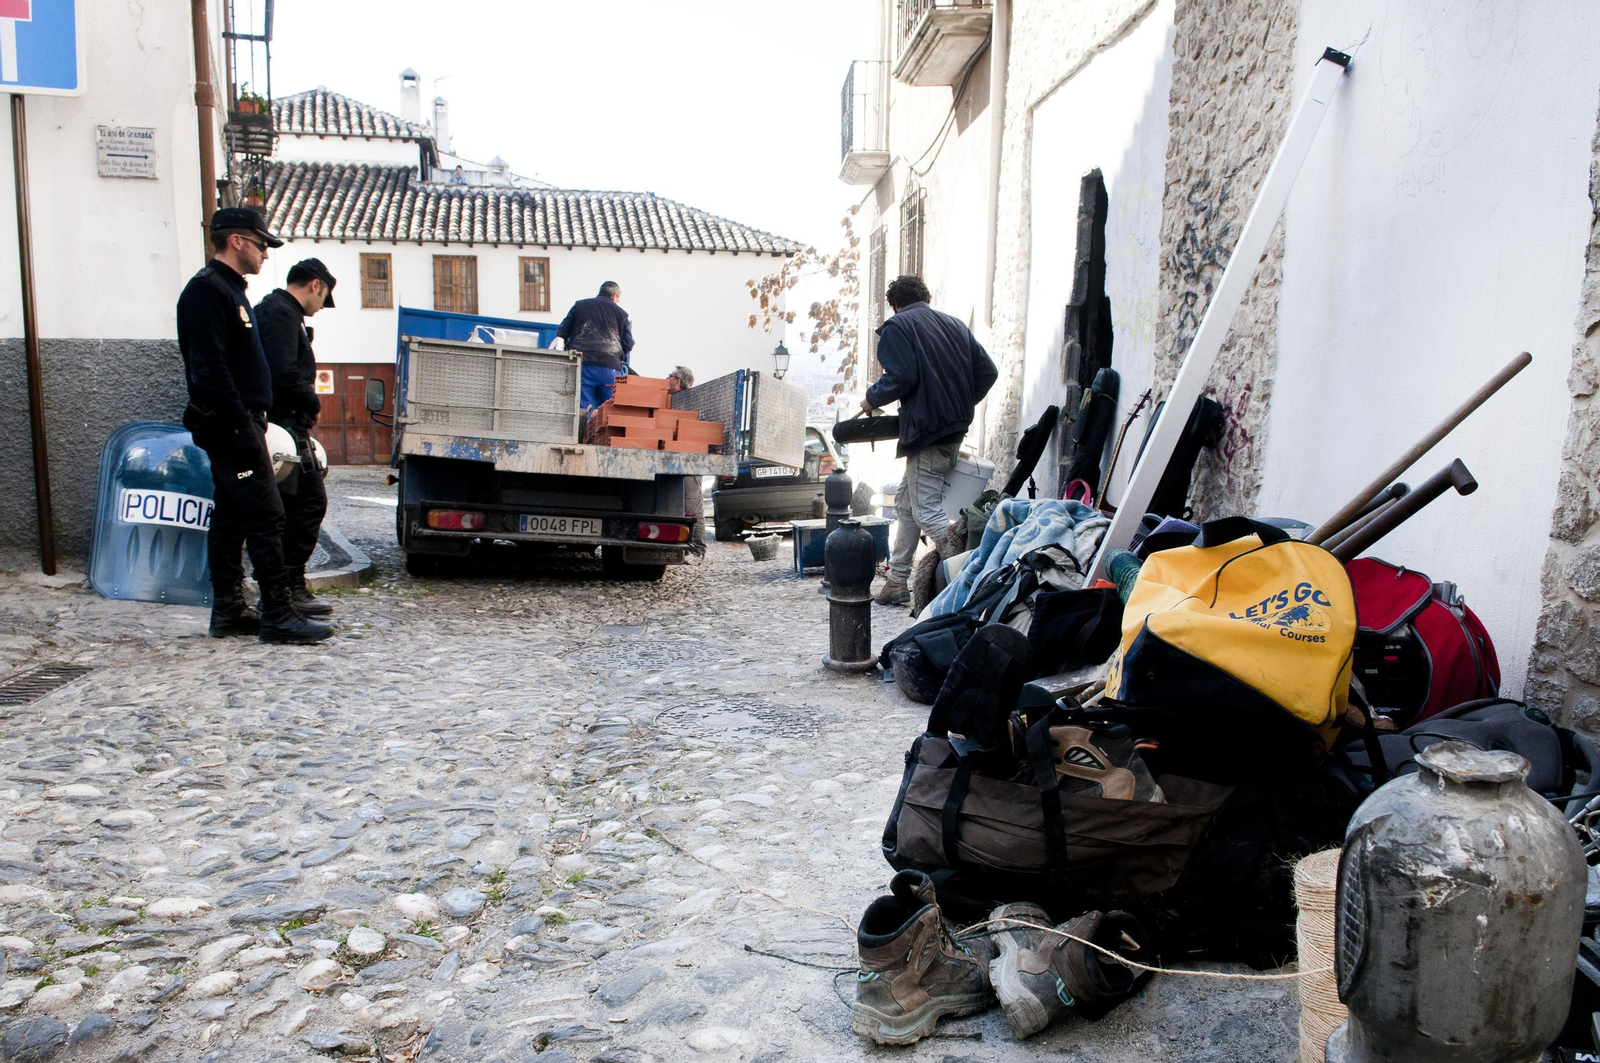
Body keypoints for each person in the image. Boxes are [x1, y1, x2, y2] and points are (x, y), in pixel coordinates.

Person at [176, 207, 333, 645]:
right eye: (262, 244)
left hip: (242, 421)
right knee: (268, 514)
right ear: (236, 241)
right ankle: (278, 614)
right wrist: (240, 424)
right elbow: (209, 366)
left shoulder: (231, 291)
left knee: (230, 519)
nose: (267, 253)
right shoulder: (207, 292)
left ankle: (228, 610)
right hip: (231, 423)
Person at [861, 275, 998, 606]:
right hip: (953, 430)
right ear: (925, 296)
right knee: (906, 506)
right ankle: (896, 583)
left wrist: (871, 398)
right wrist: (958, 405)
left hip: (927, 433)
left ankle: (969, 575)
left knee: (925, 510)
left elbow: (901, 376)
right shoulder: (954, 325)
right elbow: (988, 372)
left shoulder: (898, 326)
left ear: (895, 304)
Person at [255, 258, 338, 618]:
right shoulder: (281, 313)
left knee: (293, 508)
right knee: (308, 504)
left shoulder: (278, 312)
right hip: (284, 423)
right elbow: (283, 371)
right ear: (316, 285)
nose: (320, 308)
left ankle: (290, 586)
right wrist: (312, 401)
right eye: (323, 298)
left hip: (286, 422)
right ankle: (287, 586)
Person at [557, 281, 634, 410]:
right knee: (609, 411)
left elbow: (562, 331)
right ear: (614, 296)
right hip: (610, 368)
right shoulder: (621, 314)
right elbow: (628, 343)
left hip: (583, 364)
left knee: (579, 409)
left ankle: (579, 430)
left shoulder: (580, 306)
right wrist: (618, 357)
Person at [666, 367, 705, 557]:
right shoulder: (671, 400)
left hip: (691, 459)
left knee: (692, 506)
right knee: (682, 504)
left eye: (670, 376)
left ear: (678, 382)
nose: (667, 379)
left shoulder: (689, 401)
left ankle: (698, 548)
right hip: (677, 459)